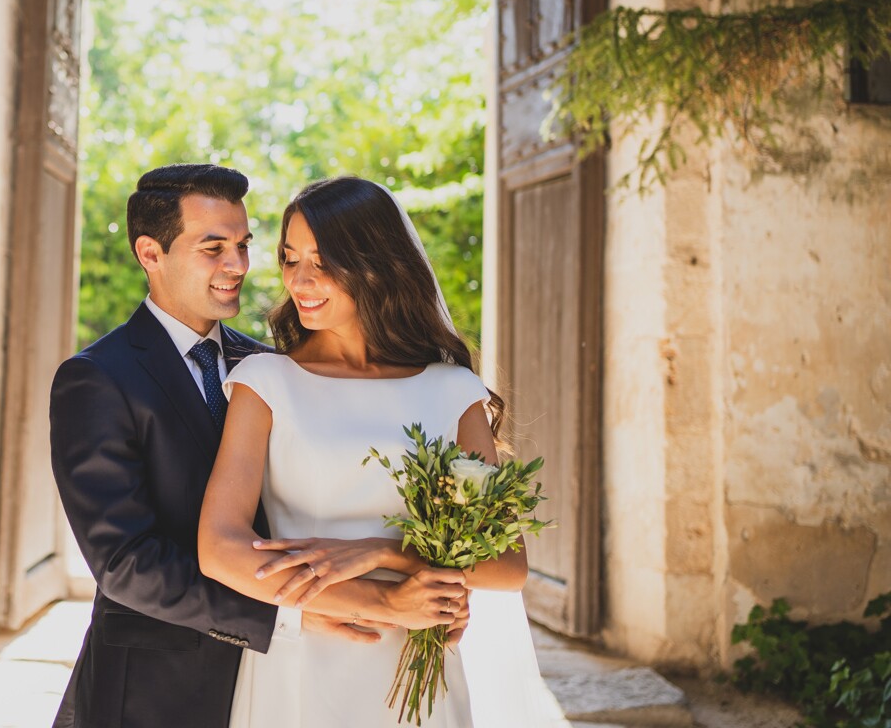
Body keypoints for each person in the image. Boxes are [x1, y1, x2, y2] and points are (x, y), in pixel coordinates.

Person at [49, 165, 471, 728]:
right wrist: (292, 614)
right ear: (150, 253)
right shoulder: (97, 378)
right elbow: (126, 564)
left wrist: (418, 571)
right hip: (158, 691)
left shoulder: (269, 366)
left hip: (293, 683)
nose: (238, 266)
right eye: (214, 247)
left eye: (244, 246)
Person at [199, 176, 547, 728]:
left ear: (377, 262)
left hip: (420, 667)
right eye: (291, 259)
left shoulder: (453, 391)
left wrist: (381, 553)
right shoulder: (265, 381)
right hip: (302, 665)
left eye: (324, 260)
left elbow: (507, 566)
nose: (301, 280)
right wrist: (375, 598)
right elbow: (219, 547)